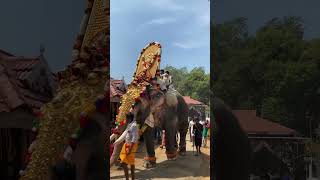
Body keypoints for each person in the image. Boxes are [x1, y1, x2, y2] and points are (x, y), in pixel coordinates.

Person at [120, 113, 139, 180]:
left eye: (126, 118)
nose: (125, 120)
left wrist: (130, 149)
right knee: (131, 162)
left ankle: (128, 178)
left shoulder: (134, 126)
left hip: (131, 145)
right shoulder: (130, 124)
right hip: (127, 144)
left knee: (124, 163)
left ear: (129, 118)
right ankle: (132, 178)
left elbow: (134, 138)